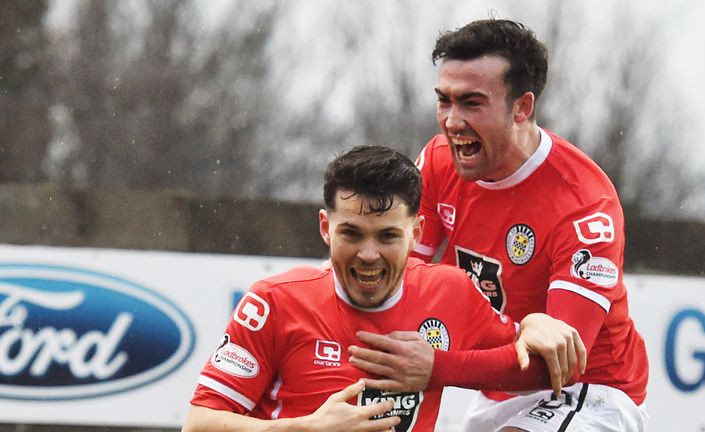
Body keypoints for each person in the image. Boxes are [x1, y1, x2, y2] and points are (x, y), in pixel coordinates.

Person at [348, 19, 649, 431]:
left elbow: (555, 368)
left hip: (591, 390)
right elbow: (397, 280)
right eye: (444, 101)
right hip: (498, 389)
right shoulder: (438, 161)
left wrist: (436, 366)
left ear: (522, 108)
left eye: (471, 103)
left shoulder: (584, 205)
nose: (452, 121)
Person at [181, 145, 586, 432]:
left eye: (388, 236)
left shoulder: (451, 292)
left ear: (416, 234)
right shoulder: (274, 301)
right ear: (325, 227)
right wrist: (304, 430)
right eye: (351, 234)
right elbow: (199, 423)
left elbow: (534, 371)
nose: (368, 254)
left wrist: (532, 325)